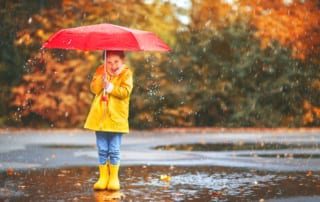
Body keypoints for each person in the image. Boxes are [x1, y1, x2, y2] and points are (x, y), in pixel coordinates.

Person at [84, 50, 133, 191]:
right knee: (102, 149)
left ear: (122, 60)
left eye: (116, 61)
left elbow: (125, 92)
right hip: (101, 117)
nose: (112, 65)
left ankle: (113, 178)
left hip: (116, 117)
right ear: (104, 62)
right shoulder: (100, 71)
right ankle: (103, 177)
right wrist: (101, 80)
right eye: (109, 62)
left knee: (114, 149)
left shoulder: (126, 74)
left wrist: (110, 87)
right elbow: (93, 89)